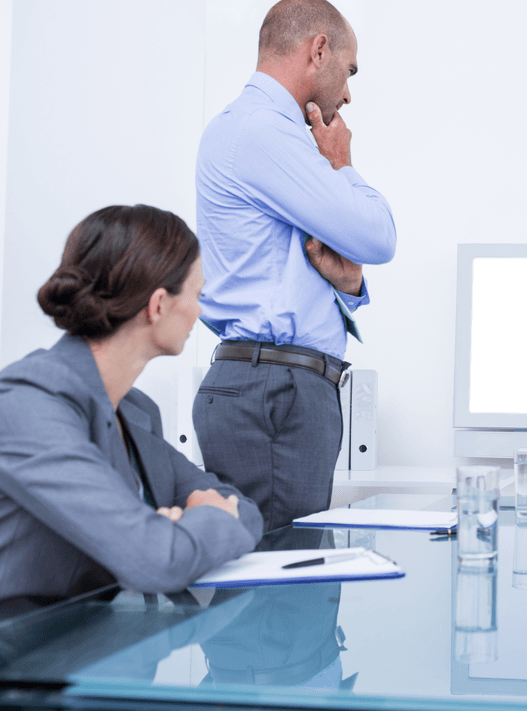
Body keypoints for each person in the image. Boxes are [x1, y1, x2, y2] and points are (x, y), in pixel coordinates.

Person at [194, 0, 396, 532]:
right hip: (275, 395)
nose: (348, 92)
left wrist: (349, 286)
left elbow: (289, 264)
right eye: (348, 71)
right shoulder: (263, 131)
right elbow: (377, 234)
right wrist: (341, 165)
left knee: (286, 590)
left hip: (273, 390)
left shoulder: (256, 130)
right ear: (319, 50)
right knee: (287, 591)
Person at [0, 205, 263, 607]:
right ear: (158, 305)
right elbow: (157, 560)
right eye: (197, 294)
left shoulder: (135, 411)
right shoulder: (29, 404)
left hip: (96, 645)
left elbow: (243, 509)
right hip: (23, 653)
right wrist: (209, 518)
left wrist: (189, 525)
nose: (200, 310)